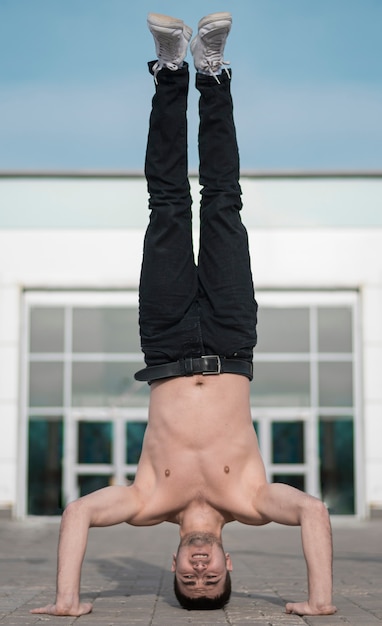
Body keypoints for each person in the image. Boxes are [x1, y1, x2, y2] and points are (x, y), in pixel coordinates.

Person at [31, 12, 337, 617]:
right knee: (222, 200)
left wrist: (68, 600)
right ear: (230, 566)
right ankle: (213, 75)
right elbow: (313, 512)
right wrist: (322, 601)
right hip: (231, 336)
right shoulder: (252, 501)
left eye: (190, 581)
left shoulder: (146, 503)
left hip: (166, 343)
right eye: (212, 581)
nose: (200, 572)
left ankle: (171, 69)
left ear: (172, 565)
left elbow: (78, 514)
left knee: (168, 202)